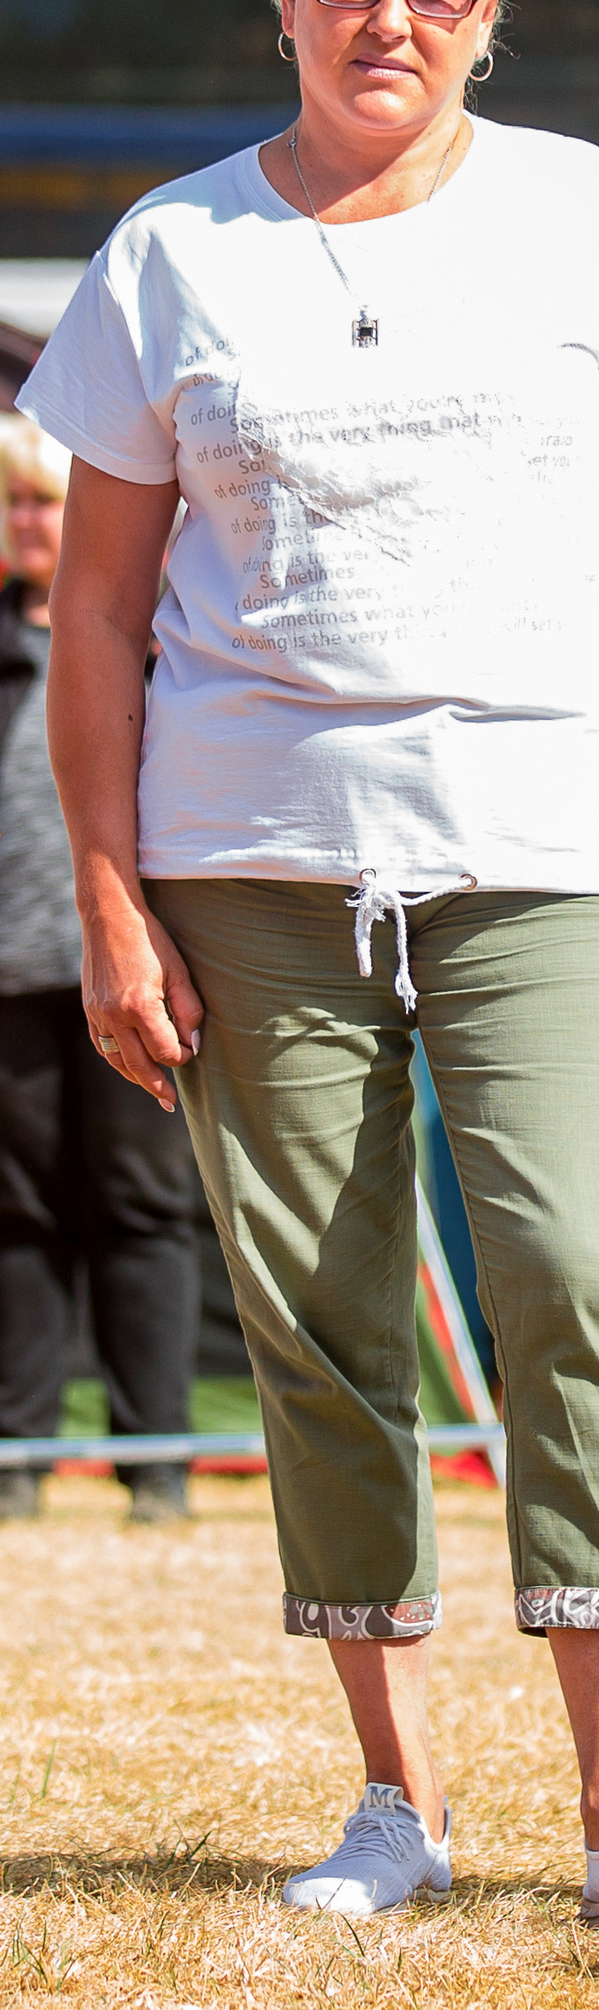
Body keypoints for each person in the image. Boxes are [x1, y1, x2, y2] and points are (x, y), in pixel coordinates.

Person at [25, 0, 599, 1932]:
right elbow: (93, 616)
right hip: (248, 849)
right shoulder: (172, 252)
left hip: (541, 835)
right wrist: (103, 891)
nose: (389, 15)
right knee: (321, 1315)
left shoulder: (587, 219)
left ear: (490, 12)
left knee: (568, 1270)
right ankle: (393, 1803)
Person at [0, 417, 202, 1522]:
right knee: (18, 1215)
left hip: (129, 957)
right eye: (17, 505)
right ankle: (19, 1454)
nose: (33, 523)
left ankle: (157, 1463)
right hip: (13, 970)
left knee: (143, 1206)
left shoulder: (153, 635)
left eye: (45, 502)